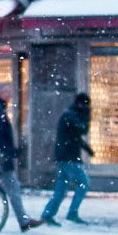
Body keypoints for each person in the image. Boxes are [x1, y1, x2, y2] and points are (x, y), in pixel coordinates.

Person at [0, 84, 42, 232]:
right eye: (8, 92)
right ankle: (23, 220)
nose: (10, 95)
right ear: (0, 93)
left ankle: (23, 220)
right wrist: (6, 152)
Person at [41, 93, 93, 225]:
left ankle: (48, 214)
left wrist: (87, 149)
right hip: (68, 157)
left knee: (61, 188)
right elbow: (82, 130)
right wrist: (87, 115)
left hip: (66, 156)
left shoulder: (70, 114)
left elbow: (75, 136)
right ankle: (72, 213)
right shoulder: (70, 115)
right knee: (83, 183)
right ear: (81, 104)